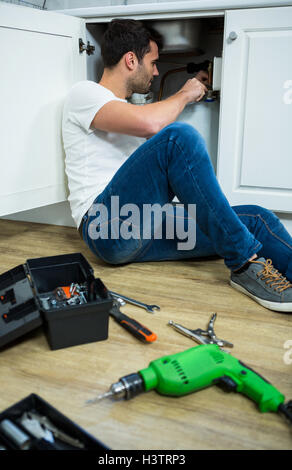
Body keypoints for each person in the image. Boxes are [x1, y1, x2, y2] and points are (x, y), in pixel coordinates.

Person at [62, 18, 292, 313]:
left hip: (145, 225)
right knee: (178, 138)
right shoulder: (84, 94)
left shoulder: (128, 110)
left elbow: (156, 137)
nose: (156, 71)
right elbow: (153, 125)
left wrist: (193, 89)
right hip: (105, 228)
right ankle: (244, 264)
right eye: (153, 62)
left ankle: (256, 261)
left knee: (259, 220)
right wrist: (185, 94)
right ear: (131, 60)